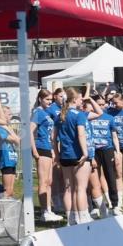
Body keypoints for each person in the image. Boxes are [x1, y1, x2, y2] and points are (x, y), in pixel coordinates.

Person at [55, 88, 91, 224]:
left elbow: (53, 138)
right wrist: (85, 152)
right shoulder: (79, 115)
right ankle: (82, 218)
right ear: (75, 99)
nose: (82, 100)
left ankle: (71, 219)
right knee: (80, 188)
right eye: (81, 98)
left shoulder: (60, 115)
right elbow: (81, 134)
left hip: (65, 155)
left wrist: (57, 155)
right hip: (77, 155)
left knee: (68, 188)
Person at [86, 94, 121, 217]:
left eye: (103, 104)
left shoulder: (110, 118)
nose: (101, 106)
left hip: (107, 149)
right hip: (93, 150)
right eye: (99, 104)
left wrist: (117, 152)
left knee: (110, 176)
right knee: (93, 179)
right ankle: (95, 206)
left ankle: (115, 204)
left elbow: (114, 136)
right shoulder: (89, 117)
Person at [30, 90, 61, 221]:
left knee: (49, 181)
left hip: (48, 148)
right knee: (43, 181)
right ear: (40, 99)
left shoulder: (45, 113)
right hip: (41, 148)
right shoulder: (37, 112)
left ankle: (48, 209)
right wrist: (34, 150)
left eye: (50, 100)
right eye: (47, 99)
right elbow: (30, 131)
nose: (49, 102)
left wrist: (53, 151)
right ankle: (44, 211)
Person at [0, 122, 20, 197]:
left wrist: (9, 129)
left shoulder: (8, 129)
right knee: (7, 190)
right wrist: (8, 129)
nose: (10, 116)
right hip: (6, 160)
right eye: (8, 114)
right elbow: (13, 139)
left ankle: (9, 207)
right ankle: (3, 207)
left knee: (11, 191)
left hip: (12, 160)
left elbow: (18, 141)